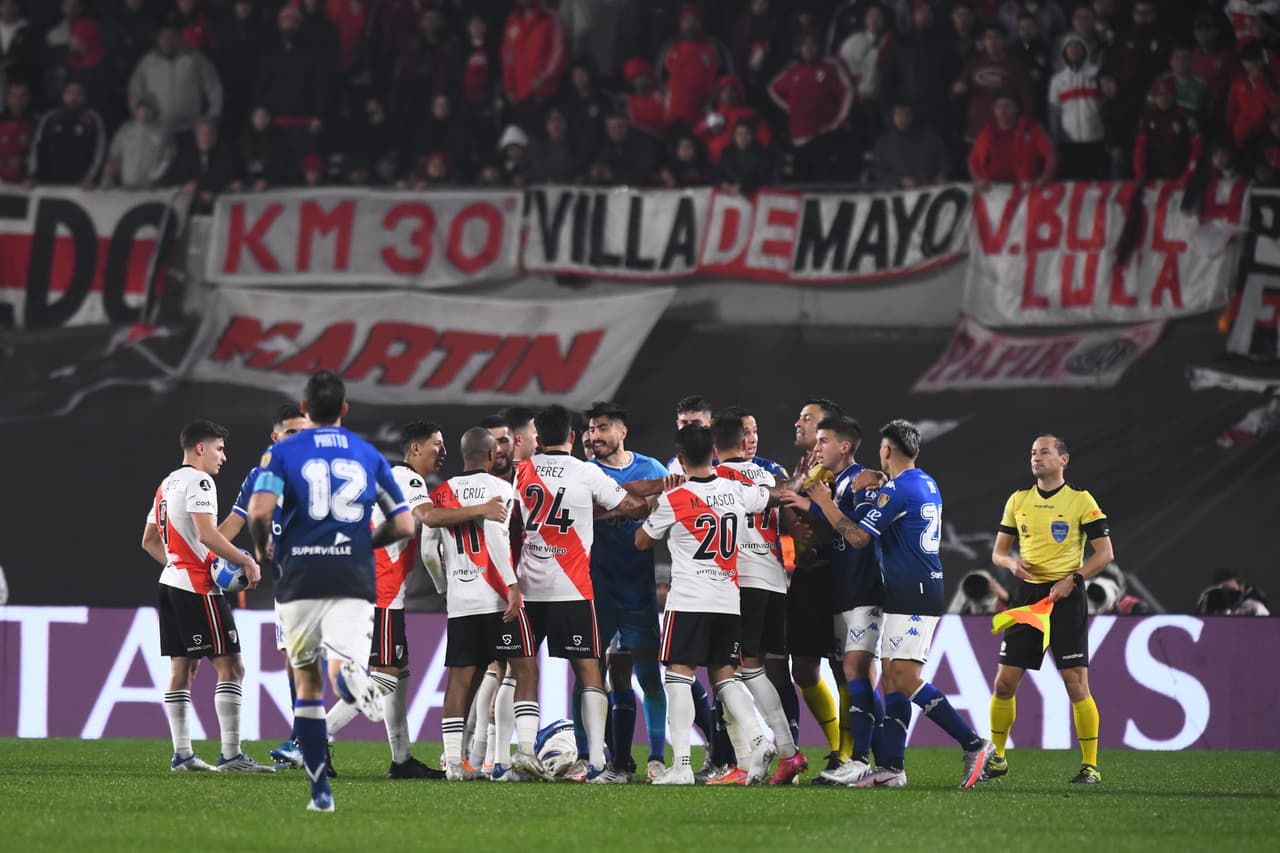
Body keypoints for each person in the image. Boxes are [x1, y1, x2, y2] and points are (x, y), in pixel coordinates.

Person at [789, 419, 995, 789]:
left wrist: (822, 501)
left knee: (903, 678)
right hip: (911, 590)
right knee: (891, 683)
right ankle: (892, 767)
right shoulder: (924, 482)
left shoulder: (897, 490)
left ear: (886, 451)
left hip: (911, 592)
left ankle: (974, 743)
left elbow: (856, 537)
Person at [245, 371, 415, 813]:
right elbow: (404, 524)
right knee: (343, 666)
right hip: (353, 576)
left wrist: (263, 544)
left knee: (307, 684)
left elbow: (260, 510)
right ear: (344, 409)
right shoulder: (369, 454)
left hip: (300, 576)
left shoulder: (281, 452)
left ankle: (321, 794)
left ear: (304, 409)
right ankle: (349, 677)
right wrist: (361, 543)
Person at [504, 404, 653, 782]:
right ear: (573, 436)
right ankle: (599, 764)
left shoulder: (523, 471)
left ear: (538, 438)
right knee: (589, 673)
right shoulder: (587, 472)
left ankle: (521, 757)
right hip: (572, 589)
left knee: (522, 673)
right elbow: (631, 508)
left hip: (529, 589)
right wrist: (653, 503)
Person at [636, 423, 782, 786]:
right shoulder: (736, 490)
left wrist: (656, 504)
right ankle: (759, 738)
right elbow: (769, 496)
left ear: (681, 460)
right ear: (714, 454)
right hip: (728, 600)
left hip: (688, 600)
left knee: (678, 676)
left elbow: (641, 540)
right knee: (724, 676)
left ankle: (682, 765)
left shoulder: (676, 497)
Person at [141, 419, 270, 774]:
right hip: (198, 589)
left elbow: (149, 541)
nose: (223, 457)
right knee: (232, 666)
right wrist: (245, 559)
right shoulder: (200, 481)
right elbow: (208, 534)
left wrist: (180, 564)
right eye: (219, 448)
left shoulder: (166, 484)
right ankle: (231, 755)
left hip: (171, 582)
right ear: (200, 448)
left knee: (183, 668)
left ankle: (182, 755)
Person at [985, 434, 1114, 785]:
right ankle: (996, 757)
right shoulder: (1018, 500)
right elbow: (998, 553)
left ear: (1064, 459)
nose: (1036, 458)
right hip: (1027, 597)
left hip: (1065, 596)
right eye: (1032, 453)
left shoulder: (1080, 501)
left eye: (1044, 452)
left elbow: (1105, 554)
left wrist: (1074, 578)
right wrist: (1010, 564)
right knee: (1004, 683)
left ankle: (1090, 765)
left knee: (1076, 684)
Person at [423, 427, 529, 781]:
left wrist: (444, 586)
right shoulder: (501, 488)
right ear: (489, 457)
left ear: (461, 454)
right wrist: (512, 586)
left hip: (461, 599)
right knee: (522, 671)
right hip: (495, 596)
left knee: (459, 681)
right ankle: (516, 757)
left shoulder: (440, 492)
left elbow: (428, 553)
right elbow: (496, 539)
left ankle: (454, 763)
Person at [711, 414, 806, 784]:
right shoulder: (767, 477)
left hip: (741, 583)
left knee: (731, 669)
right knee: (753, 668)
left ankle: (773, 750)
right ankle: (783, 755)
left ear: (716, 447)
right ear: (743, 440)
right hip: (773, 580)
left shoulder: (716, 479)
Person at [583, 401, 674, 783]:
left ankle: (655, 758)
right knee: (590, 675)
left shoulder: (652, 469)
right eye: (590, 429)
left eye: (602, 428)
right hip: (597, 587)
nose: (594, 436)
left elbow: (662, 519)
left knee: (649, 676)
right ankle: (592, 755)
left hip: (638, 588)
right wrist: (632, 504)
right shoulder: (584, 472)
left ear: (622, 432)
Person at [218, 404, 311, 771]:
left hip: (321, 575)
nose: (298, 439)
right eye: (291, 433)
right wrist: (204, 553)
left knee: (313, 661)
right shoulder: (260, 476)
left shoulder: (322, 473)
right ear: (276, 437)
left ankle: (310, 737)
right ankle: (304, 738)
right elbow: (233, 523)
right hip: (287, 582)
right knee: (294, 660)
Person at [804, 415, 890, 787]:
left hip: (865, 590)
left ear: (844, 446)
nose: (816, 447)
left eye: (823, 440)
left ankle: (860, 759)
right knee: (852, 674)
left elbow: (860, 536)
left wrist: (824, 501)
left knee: (858, 671)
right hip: (841, 592)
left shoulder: (861, 482)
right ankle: (885, 760)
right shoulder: (831, 483)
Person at [784, 398, 848, 772]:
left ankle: (847, 753)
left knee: (843, 667)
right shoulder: (805, 468)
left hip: (837, 575)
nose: (799, 423)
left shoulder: (839, 472)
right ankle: (838, 743)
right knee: (804, 669)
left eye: (807, 419)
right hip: (807, 573)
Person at [127, 23, 222, 135]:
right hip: (157, 129)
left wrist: (213, 115)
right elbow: (134, 90)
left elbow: (213, 87)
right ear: (158, 39)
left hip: (191, 129)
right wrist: (139, 116)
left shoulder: (196, 59)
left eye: (172, 36)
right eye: (164, 37)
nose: (168, 41)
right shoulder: (147, 62)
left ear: (180, 39)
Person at [968, 91, 1056, 188]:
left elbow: (1051, 155)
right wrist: (978, 179)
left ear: (1016, 109)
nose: (1002, 110)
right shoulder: (986, 131)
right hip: (992, 188)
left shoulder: (1031, 128)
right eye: (998, 106)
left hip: (1025, 188)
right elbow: (973, 160)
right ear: (993, 110)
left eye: (1007, 106)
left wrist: (1043, 179)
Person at [1048, 34, 1104, 180]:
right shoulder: (1058, 80)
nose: (1073, 49)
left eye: (1077, 46)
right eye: (1070, 46)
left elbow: (1106, 106)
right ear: (1064, 51)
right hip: (1069, 143)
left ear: (1084, 49)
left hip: (1095, 140)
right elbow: (1054, 113)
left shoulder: (1097, 73)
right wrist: (1055, 138)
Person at [28, 79, 104, 187]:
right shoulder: (50, 118)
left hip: (81, 186)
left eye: (78, 93)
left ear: (85, 96)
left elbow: (99, 151)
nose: (73, 97)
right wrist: (32, 175)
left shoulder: (93, 120)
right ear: (63, 95)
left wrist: (91, 178)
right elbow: (37, 148)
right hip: (48, 183)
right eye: (69, 93)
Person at [870, 101, 950, 188]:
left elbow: (943, 159)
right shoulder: (883, 143)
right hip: (899, 193)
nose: (903, 118)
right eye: (899, 114)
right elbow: (878, 171)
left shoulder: (929, 137)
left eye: (907, 114)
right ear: (892, 116)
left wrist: (942, 174)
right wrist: (899, 180)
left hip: (930, 189)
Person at [101, 95, 174, 189]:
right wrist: (107, 181)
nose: (143, 111)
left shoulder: (164, 131)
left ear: (155, 110)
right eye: (141, 108)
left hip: (151, 189)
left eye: (148, 108)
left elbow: (168, 158)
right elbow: (113, 157)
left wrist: (154, 177)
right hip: (127, 187)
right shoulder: (126, 130)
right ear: (136, 110)